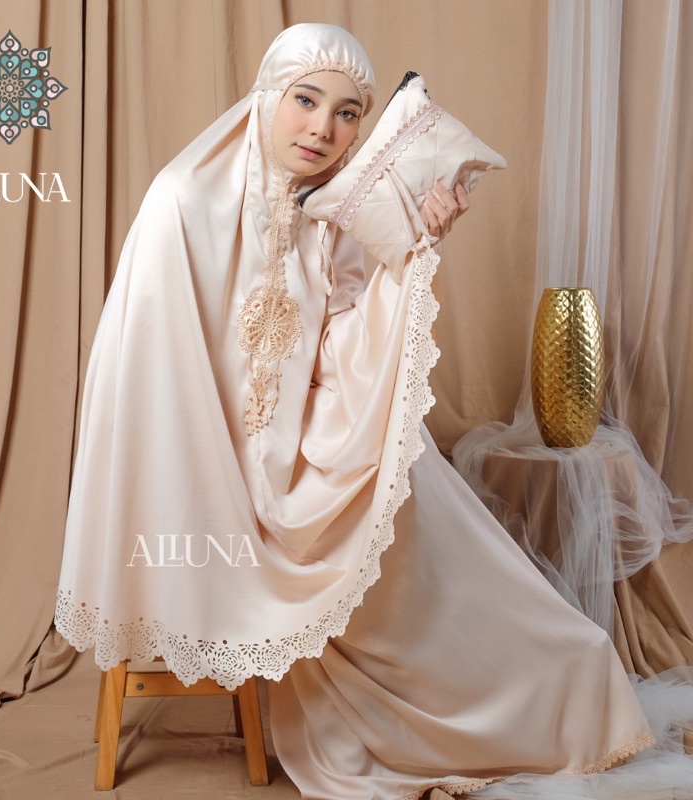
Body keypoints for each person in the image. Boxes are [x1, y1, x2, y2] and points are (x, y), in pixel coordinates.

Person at [55, 23, 691, 799]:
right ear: (266, 96)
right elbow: (151, 386)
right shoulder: (180, 203)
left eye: (348, 113)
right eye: (305, 100)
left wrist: (414, 253)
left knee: (438, 534)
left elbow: (345, 352)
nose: (323, 128)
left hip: (304, 461)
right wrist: (243, 488)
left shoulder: (331, 215)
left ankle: (553, 697)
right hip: (207, 479)